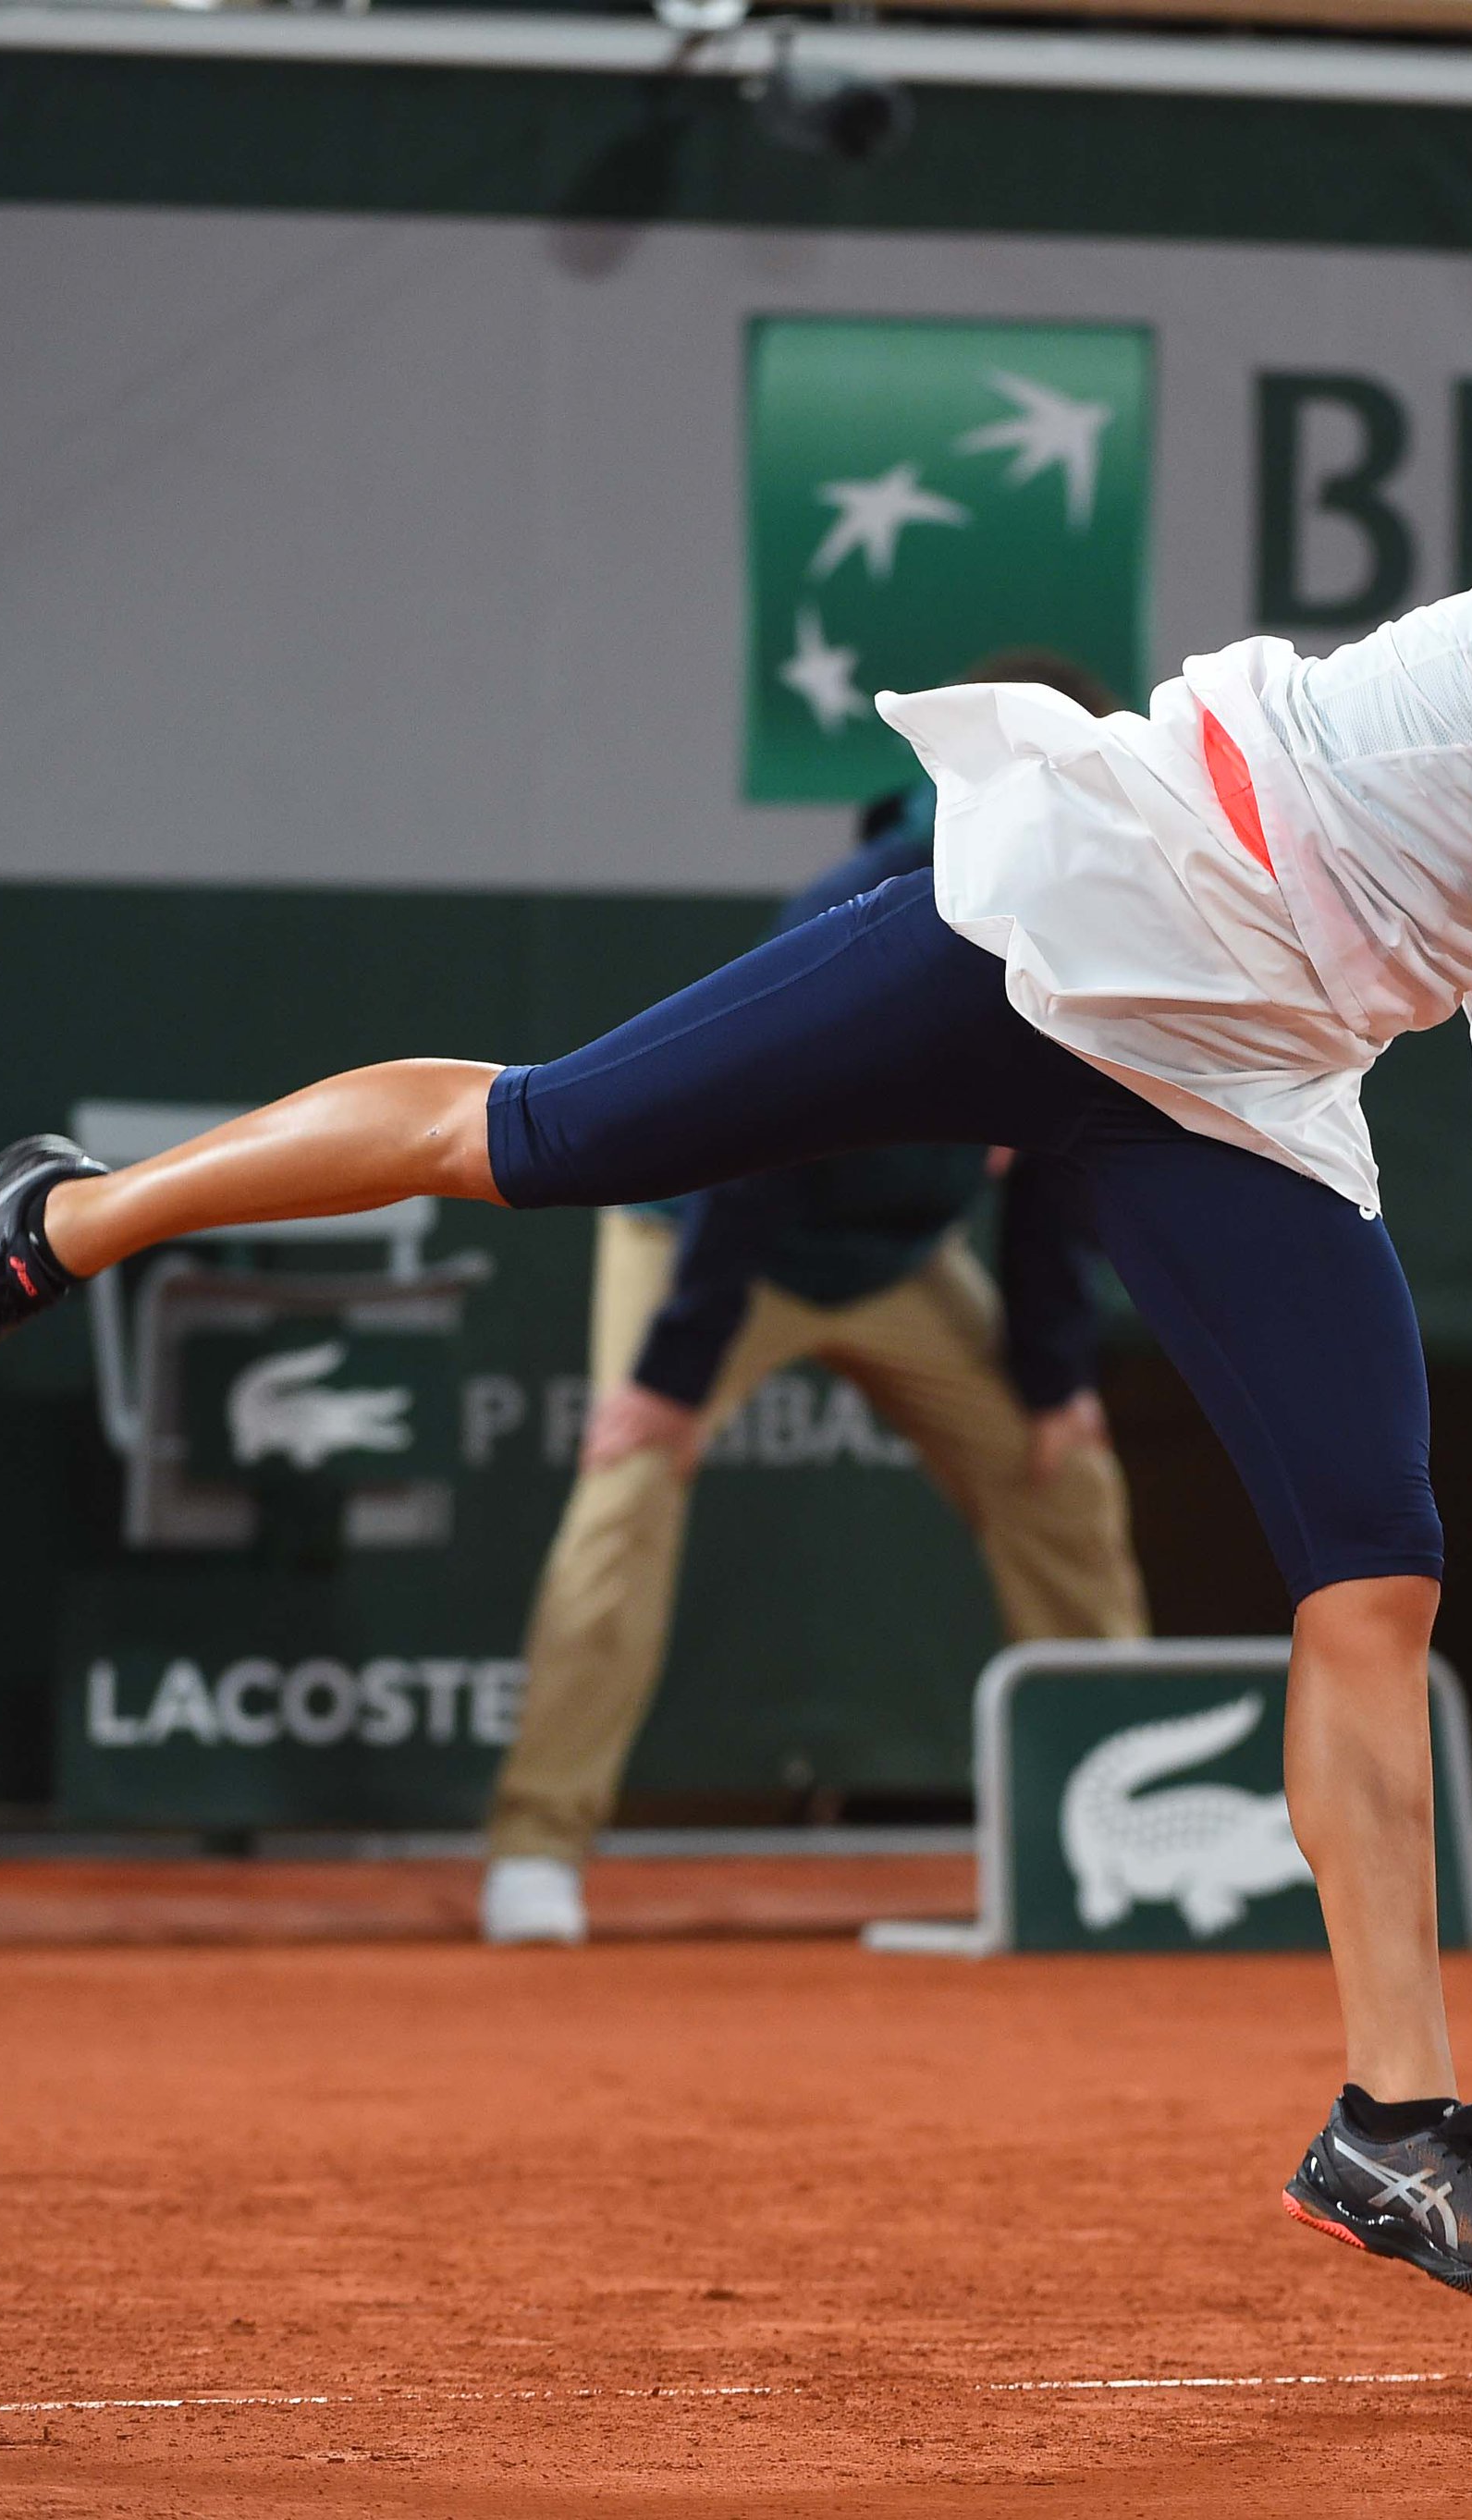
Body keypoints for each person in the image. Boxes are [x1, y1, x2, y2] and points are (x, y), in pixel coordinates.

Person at [0, 331, 1472, 2324]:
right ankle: (51, 1228)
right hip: (1064, 921)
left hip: (1242, 1074)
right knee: (531, 1135)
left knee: (1373, 1578)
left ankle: (1394, 2127)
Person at [485, 700, 1152, 1950]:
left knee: (1061, 1472)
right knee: (628, 1481)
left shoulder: (1090, 909)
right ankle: (536, 1846)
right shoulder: (856, 909)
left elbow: (1068, 1153)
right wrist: (674, 1377)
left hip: (897, 1257)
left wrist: (1055, 1369)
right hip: (709, 1233)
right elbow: (754, 1145)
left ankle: (1102, 1836)